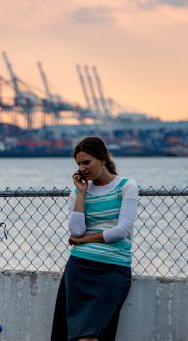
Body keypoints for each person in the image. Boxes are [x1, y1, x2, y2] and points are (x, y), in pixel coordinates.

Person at [50, 137, 139, 341]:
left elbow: (122, 230)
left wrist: (83, 241)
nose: (82, 168)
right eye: (79, 164)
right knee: (80, 335)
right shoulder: (78, 192)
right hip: (79, 268)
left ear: (103, 160)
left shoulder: (126, 186)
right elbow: (76, 230)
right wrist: (81, 193)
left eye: (86, 162)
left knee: (90, 335)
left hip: (113, 269)